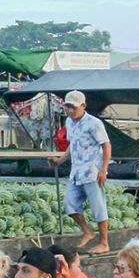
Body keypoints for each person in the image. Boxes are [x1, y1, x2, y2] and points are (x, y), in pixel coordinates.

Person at [55, 90, 112, 253]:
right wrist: (59, 161)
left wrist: (104, 169)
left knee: (98, 208)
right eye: (68, 107)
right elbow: (72, 147)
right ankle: (88, 232)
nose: (70, 111)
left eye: (73, 107)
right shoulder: (69, 123)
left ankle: (104, 243)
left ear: (83, 106)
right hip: (77, 172)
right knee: (69, 205)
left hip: (92, 172)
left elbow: (106, 145)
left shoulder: (94, 123)